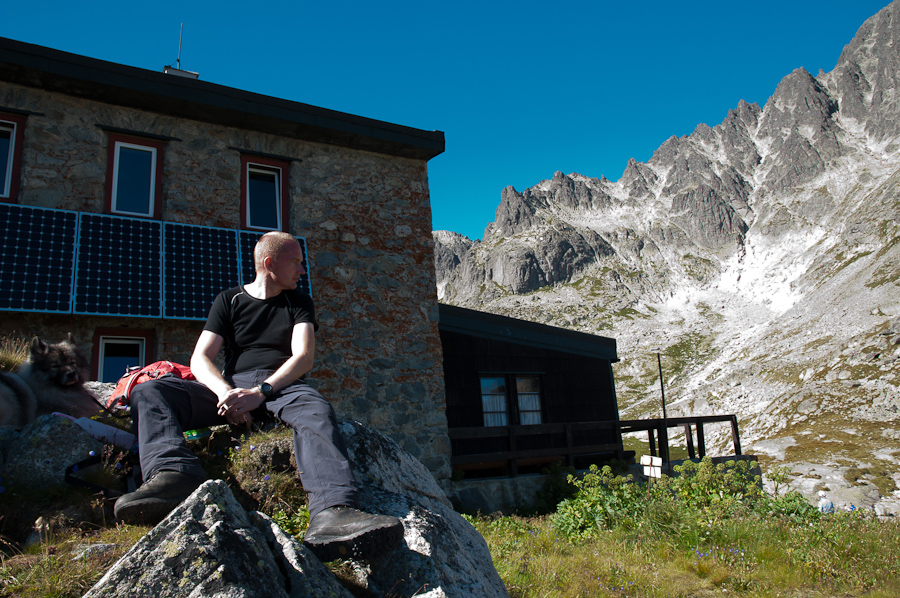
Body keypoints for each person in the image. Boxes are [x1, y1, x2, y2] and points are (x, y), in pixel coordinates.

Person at [113, 231, 403, 561]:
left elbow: (303, 357)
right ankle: (173, 475)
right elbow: (200, 359)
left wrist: (260, 393)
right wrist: (227, 394)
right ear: (269, 263)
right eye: (295, 262)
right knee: (152, 389)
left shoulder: (299, 303)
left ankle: (332, 513)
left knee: (315, 408)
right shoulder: (229, 300)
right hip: (232, 387)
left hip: (282, 388)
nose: (302, 270)